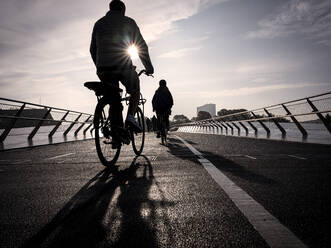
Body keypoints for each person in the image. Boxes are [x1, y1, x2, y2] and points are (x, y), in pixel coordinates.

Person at [90, 0, 154, 132]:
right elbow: (141, 46)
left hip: (103, 68)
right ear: (123, 10)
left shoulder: (99, 23)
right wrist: (149, 67)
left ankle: (116, 131)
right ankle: (130, 117)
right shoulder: (129, 22)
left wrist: (100, 66)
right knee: (135, 89)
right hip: (123, 66)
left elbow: (92, 49)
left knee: (114, 96)